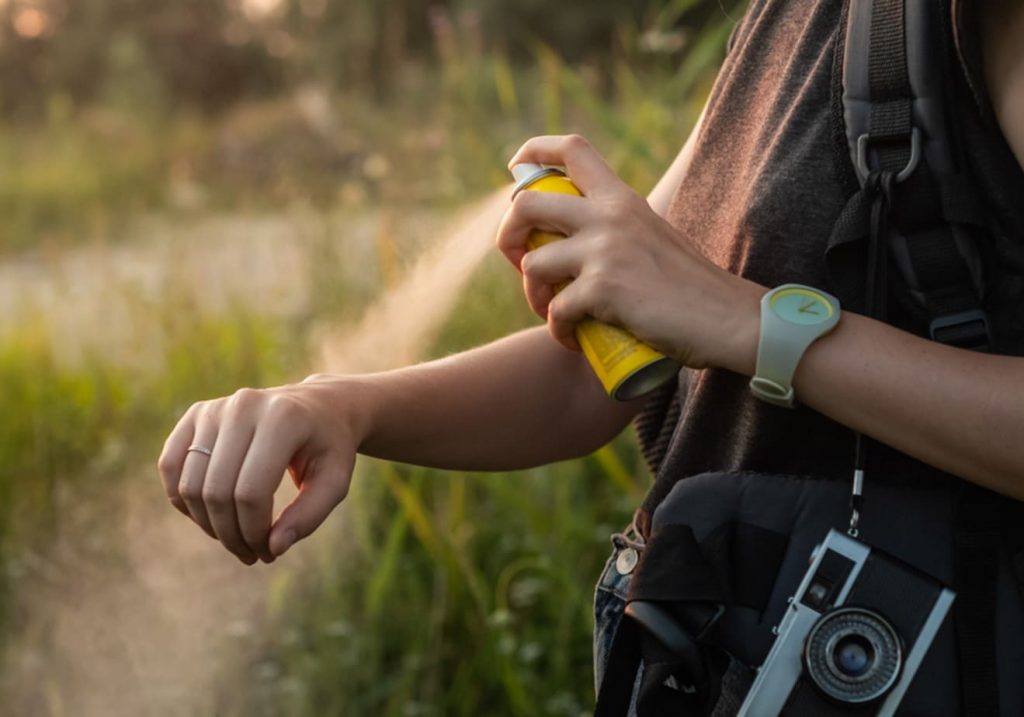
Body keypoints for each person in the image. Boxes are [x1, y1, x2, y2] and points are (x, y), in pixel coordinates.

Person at [158, 0, 1024, 711]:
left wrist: (756, 325)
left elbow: (715, 314)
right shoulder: (797, 19)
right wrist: (342, 405)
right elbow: (601, 369)